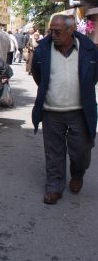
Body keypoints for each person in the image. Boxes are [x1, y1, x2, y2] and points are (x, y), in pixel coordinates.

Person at [31, 15, 98, 205]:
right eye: (51, 31)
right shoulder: (43, 48)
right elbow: (38, 76)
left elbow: (93, 77)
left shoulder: (88, 48)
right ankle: (54, 186)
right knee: (54, 152)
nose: (53, 35)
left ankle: (77, 174)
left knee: (82, 151)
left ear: (71, 30)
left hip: (80, 111)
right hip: (52, 110)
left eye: (57, 31)